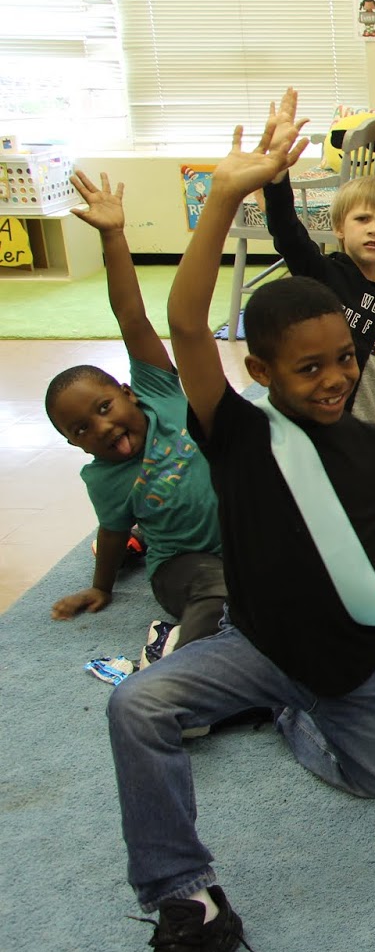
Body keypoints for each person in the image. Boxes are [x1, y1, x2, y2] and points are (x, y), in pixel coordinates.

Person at [108, 90, 375, 952]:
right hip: (256, 643)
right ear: (260, 371)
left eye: (344, 359)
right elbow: (185, 323)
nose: (334, 378)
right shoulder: (238, 430)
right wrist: (226, 195)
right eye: (309, 368)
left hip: (349, 665)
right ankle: (185, 894)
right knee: (136, 705)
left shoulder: (374, 446)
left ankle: (283, 717)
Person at [46, 170, 224, 663]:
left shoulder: (159, 392)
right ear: (74, 445)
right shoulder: (104, 478)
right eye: (82, 429)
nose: (101, 427)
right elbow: (109, 529)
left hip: (243, 535)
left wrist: (113, 235)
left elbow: (131, 317)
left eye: (104, 408)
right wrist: (100, 588)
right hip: (182, 567)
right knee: (220, 592)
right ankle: (179, 679)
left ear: (127, 391)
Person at [261, 99, 375, 473]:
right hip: (335, 432)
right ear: (339, 228)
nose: (373, 228)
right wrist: (276, 177)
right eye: (362, 218)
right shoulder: (324, 276)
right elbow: (288, 235)